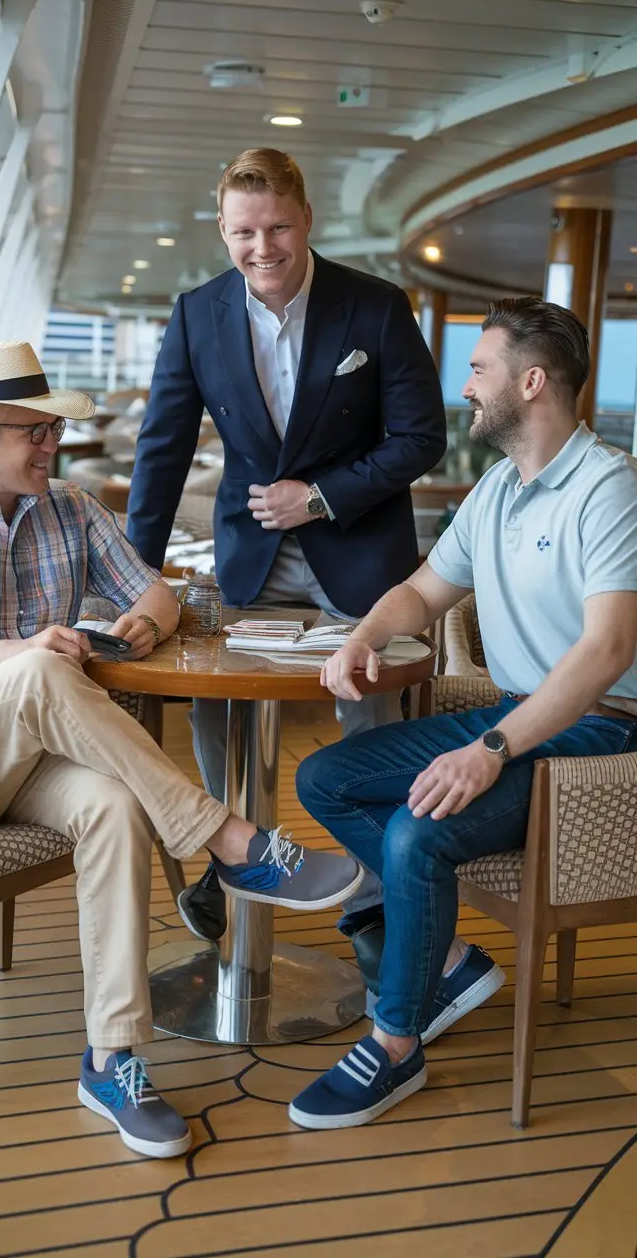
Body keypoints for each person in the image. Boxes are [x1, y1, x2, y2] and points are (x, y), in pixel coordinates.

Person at [0, 340, 363, 1156]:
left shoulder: (71, 507)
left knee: (115, 806)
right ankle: (231, 841)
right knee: (40, 667)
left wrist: (142, 624)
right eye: (34, 431)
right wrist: (15, 656)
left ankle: (112, 1058)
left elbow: (153, 588)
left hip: (34, 762)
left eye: (52, 429)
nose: (53, 443)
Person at [288, 297, 637, 1131]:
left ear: (532, 380)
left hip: (602, 728)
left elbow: (607, 651)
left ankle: (396, 1044)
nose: (466, 385)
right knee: (326, 777)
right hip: (517, 713)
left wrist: (489, 749)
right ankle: (444, 956)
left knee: (417, 832)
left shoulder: (609, 487)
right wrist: (365, 635)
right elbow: (422, 591)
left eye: (479, 368)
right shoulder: (496, 489)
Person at [126, 147, 447, 944]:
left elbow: (422, 437)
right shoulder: (197, 313)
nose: (260, 247)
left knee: (368, 713)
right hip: (251, 557)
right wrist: (130, 573)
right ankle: (228, 851)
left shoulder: (374, 305)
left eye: (275, 227)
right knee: (214, 702)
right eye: (242, 231)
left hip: (361, 552)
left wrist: (323, 496)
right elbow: (161, 453)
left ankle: (372, 893)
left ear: (306, 220)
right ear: (222, 229)